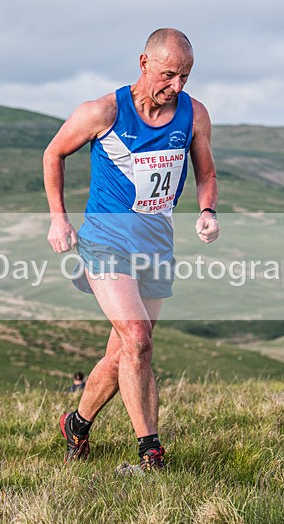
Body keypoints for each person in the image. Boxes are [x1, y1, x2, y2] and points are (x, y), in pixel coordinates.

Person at [44, 28, 220, 471]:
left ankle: (77, 425)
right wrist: (58, 217)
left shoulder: (194, 115)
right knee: (138, 340)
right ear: (144, 63)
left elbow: (207, 173)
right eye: (168, 74)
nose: (176, 86)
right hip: (106, 241)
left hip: (156, 244)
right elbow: (53, 154)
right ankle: (151, 454)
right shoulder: (103, 111)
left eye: (185, 76)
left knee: (123, 352)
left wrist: (207, 210)